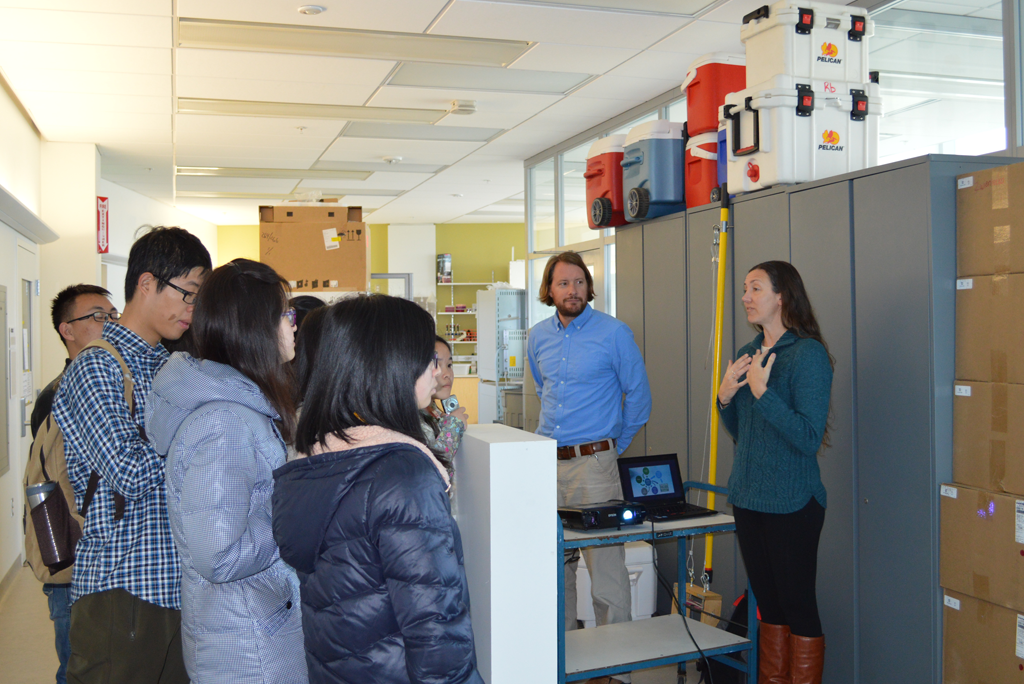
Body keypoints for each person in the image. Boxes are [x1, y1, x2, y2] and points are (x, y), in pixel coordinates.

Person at [272, 294, 484, 684]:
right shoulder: (403, 474)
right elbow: (436, 632)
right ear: (392, 365)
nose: (436, 371)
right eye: (427, 357)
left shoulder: (317, 458)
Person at [52, 226, 211, 684]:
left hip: (179, 587)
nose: (193, 308)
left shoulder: (169, 364)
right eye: (188, 294)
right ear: (146, 283)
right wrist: (200, 436)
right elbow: (130, 471)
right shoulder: (97, 365)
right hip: (122, 587)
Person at [146, 259, 307, 684]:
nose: (293, 326)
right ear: (255, 327)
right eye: (285, 315)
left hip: (254, 625)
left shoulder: (240, 410)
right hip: (246, 644)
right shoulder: (225, 423)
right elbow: (219, 556)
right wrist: (294, 511)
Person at [527, 251, 651, 684]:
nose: (573, 290)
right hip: (547, 465)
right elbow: (542, 391)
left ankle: (615, 674)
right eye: (563, 283)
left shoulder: (614, 333)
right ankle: (562, 666)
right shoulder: (537, 337)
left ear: (589, 287)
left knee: (607, 576)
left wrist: (612, 448)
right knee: (554, 573)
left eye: (579, 282)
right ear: (549, 289)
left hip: (595, 466)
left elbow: (639, 398)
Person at [716, 261, 832, 684]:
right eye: (745, 289)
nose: (745, 297)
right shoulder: (749, 353)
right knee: (770, 608)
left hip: (793, 503)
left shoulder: (808, 355)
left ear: (782, 297)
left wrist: (762, 392)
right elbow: (744, 434)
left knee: (798, 607)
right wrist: (725, 400)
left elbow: (807, 436)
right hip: (749, 499)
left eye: (756, 289)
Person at [27, 284, 117, 684]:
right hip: (73, 560)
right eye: (97, 316)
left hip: (98, 558)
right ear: (67, 330)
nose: (110, 323)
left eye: (112, 315)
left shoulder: (108, 386)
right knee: (77, 668)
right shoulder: (57, 397)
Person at [421, 335, 469, 485]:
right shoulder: (411, 418)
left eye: (449, 365)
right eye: (436, 365)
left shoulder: (432, 409)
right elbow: (431, 467)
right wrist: (453, 426)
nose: (447, 374)